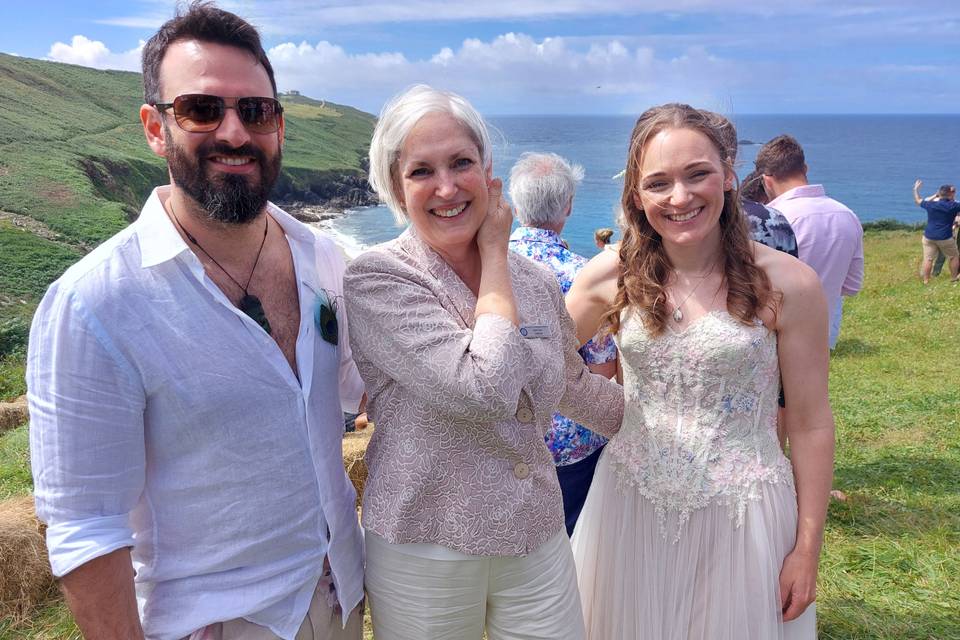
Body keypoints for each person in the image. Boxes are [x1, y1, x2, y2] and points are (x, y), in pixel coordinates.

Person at [26, 4, 365, 639]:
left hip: (342, 598)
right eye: (202, 110)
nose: (234, 133)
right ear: (155, 127)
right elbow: (85, 526)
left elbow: (357, 390)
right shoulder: (94, 304)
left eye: (255, 111)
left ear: (279, 125)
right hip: (219, 625)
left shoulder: (321, 258)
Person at [343, 85, 624, 640]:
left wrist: (672, 426)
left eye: (461, 163)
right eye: (422, 171)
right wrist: (497, 253)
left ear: (487, 170)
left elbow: (567, 382)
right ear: (397, 189)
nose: (447, 187)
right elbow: (486, 388)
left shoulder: (536, 279)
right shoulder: (378, 278)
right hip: (428, 542)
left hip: (535, 530)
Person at [566, 103, 835, 639]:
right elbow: (535, 367)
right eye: (658, 183)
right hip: (628, 508)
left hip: (743, 518)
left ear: (730, 176)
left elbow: (809, 423)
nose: (680, 197)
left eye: (698, 175)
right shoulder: (607, 274)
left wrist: (807, 548)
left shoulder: (790, 284)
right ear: (637, 197)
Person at [506, 152, 618, 535]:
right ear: (568, 207)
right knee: (570, 545)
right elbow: (603, 369)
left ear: (516, 205)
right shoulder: (586, 275)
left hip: (503, 439)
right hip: (572, 444)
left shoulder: (484, 270)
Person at [756, 134, 863, 349]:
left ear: (766, 180)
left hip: (774, 335)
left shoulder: (772, 219)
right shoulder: (847, 215)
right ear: (805, 169)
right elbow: (851, 285)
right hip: (823, 332)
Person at [912, 180, 960, 283]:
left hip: (928, 236)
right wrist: (952, 195)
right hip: (945, 237)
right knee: (953, 257)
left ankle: (926, 281)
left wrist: (915, 189)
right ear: (951, 194)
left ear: (939, 194)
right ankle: (953, 279)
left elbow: (918, 200)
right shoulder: (953, 206)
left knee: (928, 259)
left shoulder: (931, 204)